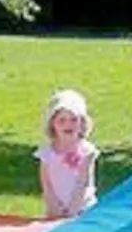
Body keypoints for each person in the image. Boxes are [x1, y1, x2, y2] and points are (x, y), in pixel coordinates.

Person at [36, 89, 99, 220]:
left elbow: (83, 182)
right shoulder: (47, 153)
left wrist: (73, 209)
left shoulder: (86, 151)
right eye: (62, 120)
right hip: (55, 209)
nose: (68, 125)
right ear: (52, 124)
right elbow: (46, 183)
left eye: (73, 120)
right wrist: (53, 206)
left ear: (82, 123)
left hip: (83, 208)